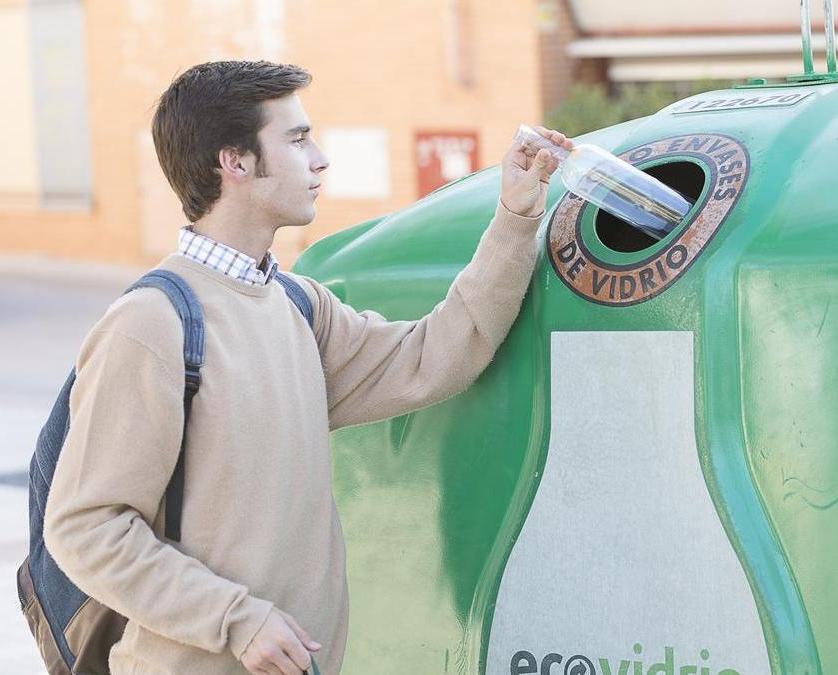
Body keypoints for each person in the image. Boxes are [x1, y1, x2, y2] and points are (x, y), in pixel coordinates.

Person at [42, 60, 571, 675]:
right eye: (296, 140)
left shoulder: (298, 305)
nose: (319, 159)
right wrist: (237, 618)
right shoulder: (151, 325)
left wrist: (515, 216)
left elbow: (436, 356)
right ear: (234, 162)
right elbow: (86, 528)